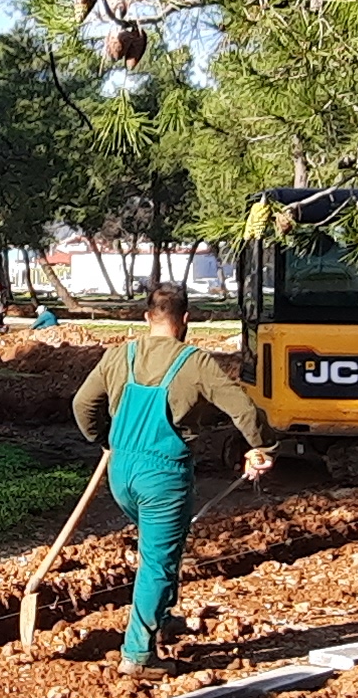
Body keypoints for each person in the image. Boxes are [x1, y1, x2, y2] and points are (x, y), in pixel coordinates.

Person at [69, 284, 277, 673]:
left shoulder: (119, 355)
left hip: (121, 472)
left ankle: (161, 618)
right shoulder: (195, 362)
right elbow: (243, 409)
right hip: (162, 475)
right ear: (186, 320)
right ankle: (137, 655)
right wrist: (263, 447)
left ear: (147, 317)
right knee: (157, 562)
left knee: (162, 548)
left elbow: (83, 404)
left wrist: (104, 439)